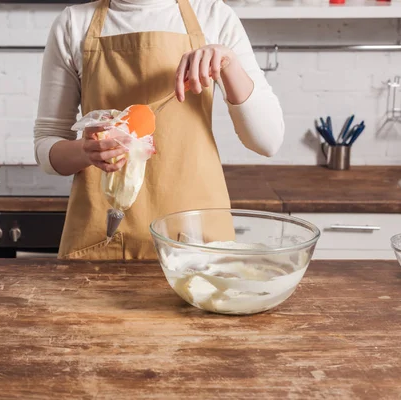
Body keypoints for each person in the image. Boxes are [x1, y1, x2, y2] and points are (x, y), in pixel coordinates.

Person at [34, 0, 284, 260]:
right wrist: (86, 151)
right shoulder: (74, 24)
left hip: (197, 246)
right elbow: (46, 145)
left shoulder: (214, 17)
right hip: (102, 245)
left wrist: (228, 63)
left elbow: (267, 142)